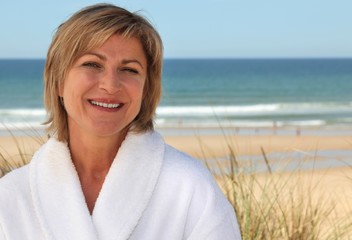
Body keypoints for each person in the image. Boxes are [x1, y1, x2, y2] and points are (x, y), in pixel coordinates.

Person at [0, 3, 241, 239]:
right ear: (59, 81)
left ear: (146, 88)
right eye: (92, 64)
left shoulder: (190, 187)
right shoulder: (11, 197)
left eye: (129, 70)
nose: (110, 84)